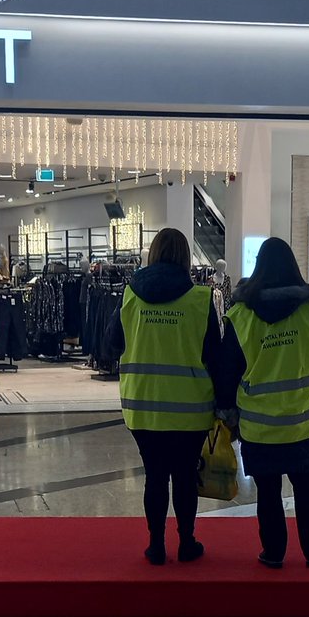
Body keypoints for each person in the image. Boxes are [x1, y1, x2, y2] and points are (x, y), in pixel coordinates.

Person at [219, 237, 309, 569]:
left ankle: (273, 552)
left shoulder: (241, 314)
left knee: (268, 494)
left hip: (260, 428)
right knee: (307, 490)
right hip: (304, 423)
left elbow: (229, 371)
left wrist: (226, 412)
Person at [108, 228, 223, 566]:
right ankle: (187, 543)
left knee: (155, 476)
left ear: (153, 254)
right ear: (186, 258)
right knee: (185, 477)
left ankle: (156, 546)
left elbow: (113, 343)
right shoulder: (202, 300)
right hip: (190, 410)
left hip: (142, 408)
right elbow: (215, 356)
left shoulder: (130, 296)